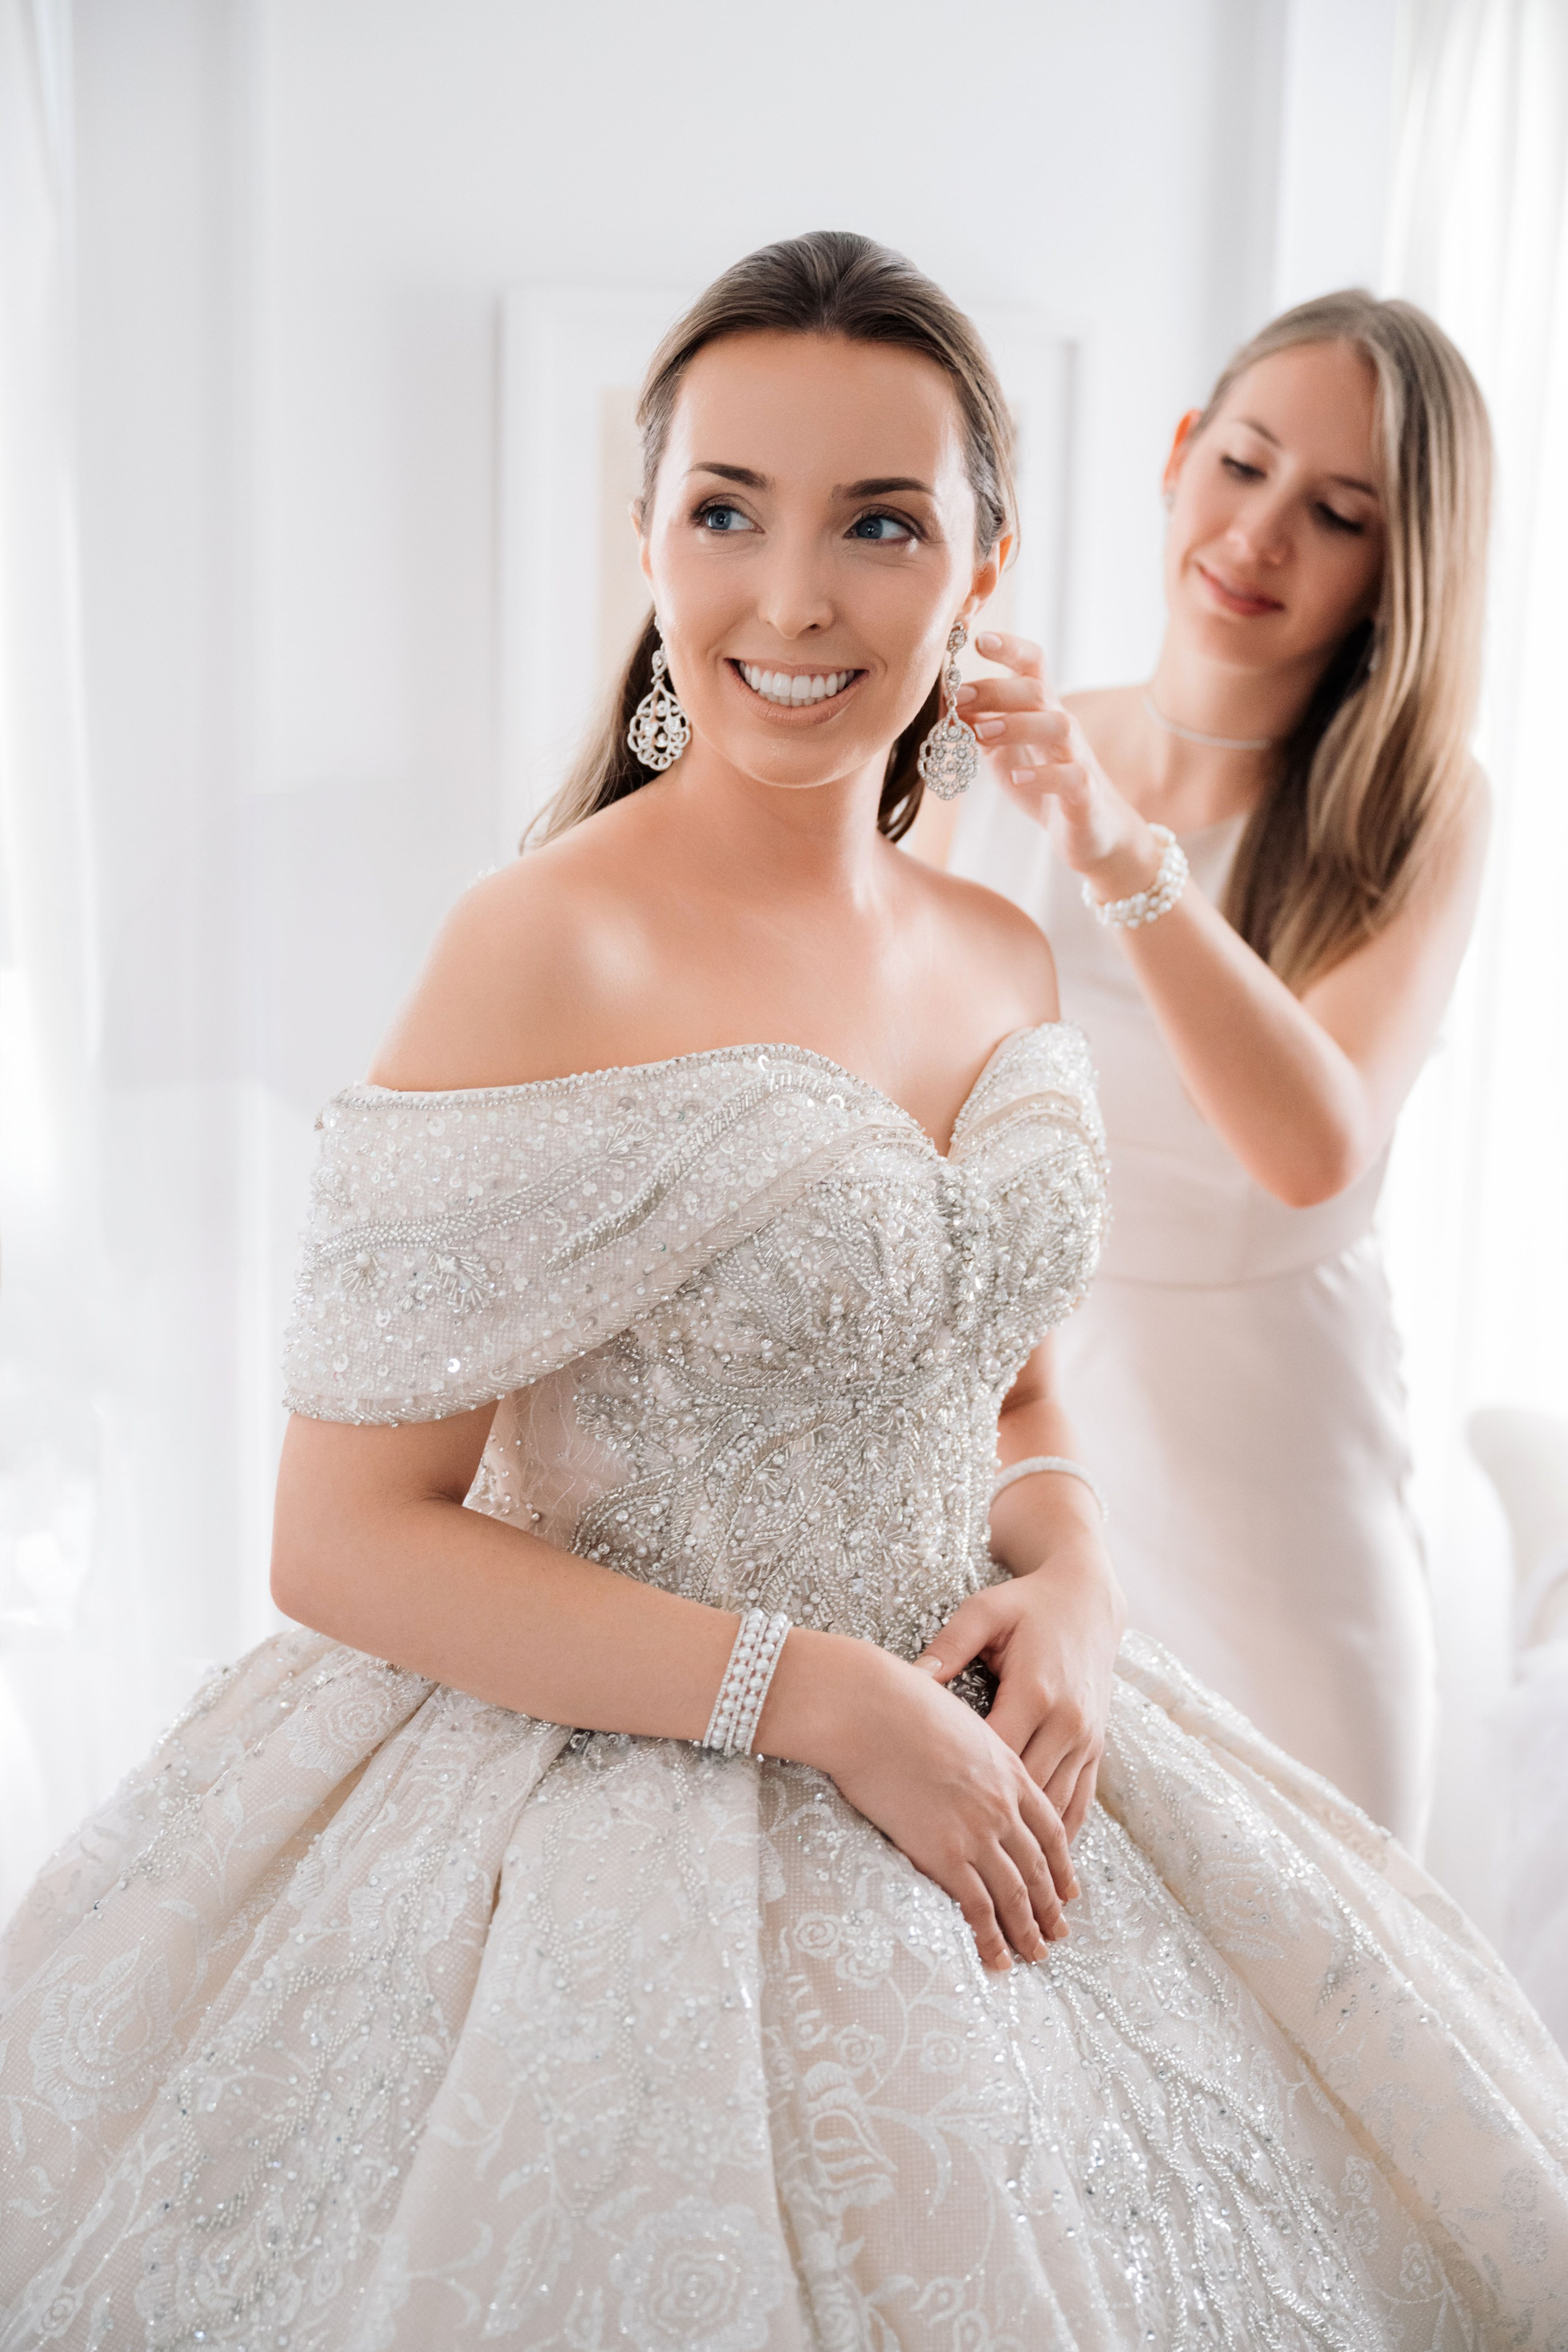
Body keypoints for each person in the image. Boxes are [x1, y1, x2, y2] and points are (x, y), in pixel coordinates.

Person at [2, 235, 1563, 2349]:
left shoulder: (1002, 954)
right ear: (645, 539)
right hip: (602, 1809)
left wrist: (1081, 1568)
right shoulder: (540, 948)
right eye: (726, 511)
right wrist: (815, 1698)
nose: (796, 596)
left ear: (982, 570)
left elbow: (1003, 1394)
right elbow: (338, 1535)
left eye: (882, 525)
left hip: (997, 1763)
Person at [921, 295, 1490, 1849]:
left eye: (1337, 514)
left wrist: (1111, 842)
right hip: (1032, 1432)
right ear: (1176, 459)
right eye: (1240, 466)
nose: (1257, 536)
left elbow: (1311, 1147)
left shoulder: (1415, 814)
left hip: (1273, 1463)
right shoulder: (1000, 743)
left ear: (1397, 568)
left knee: (1326, 1933)